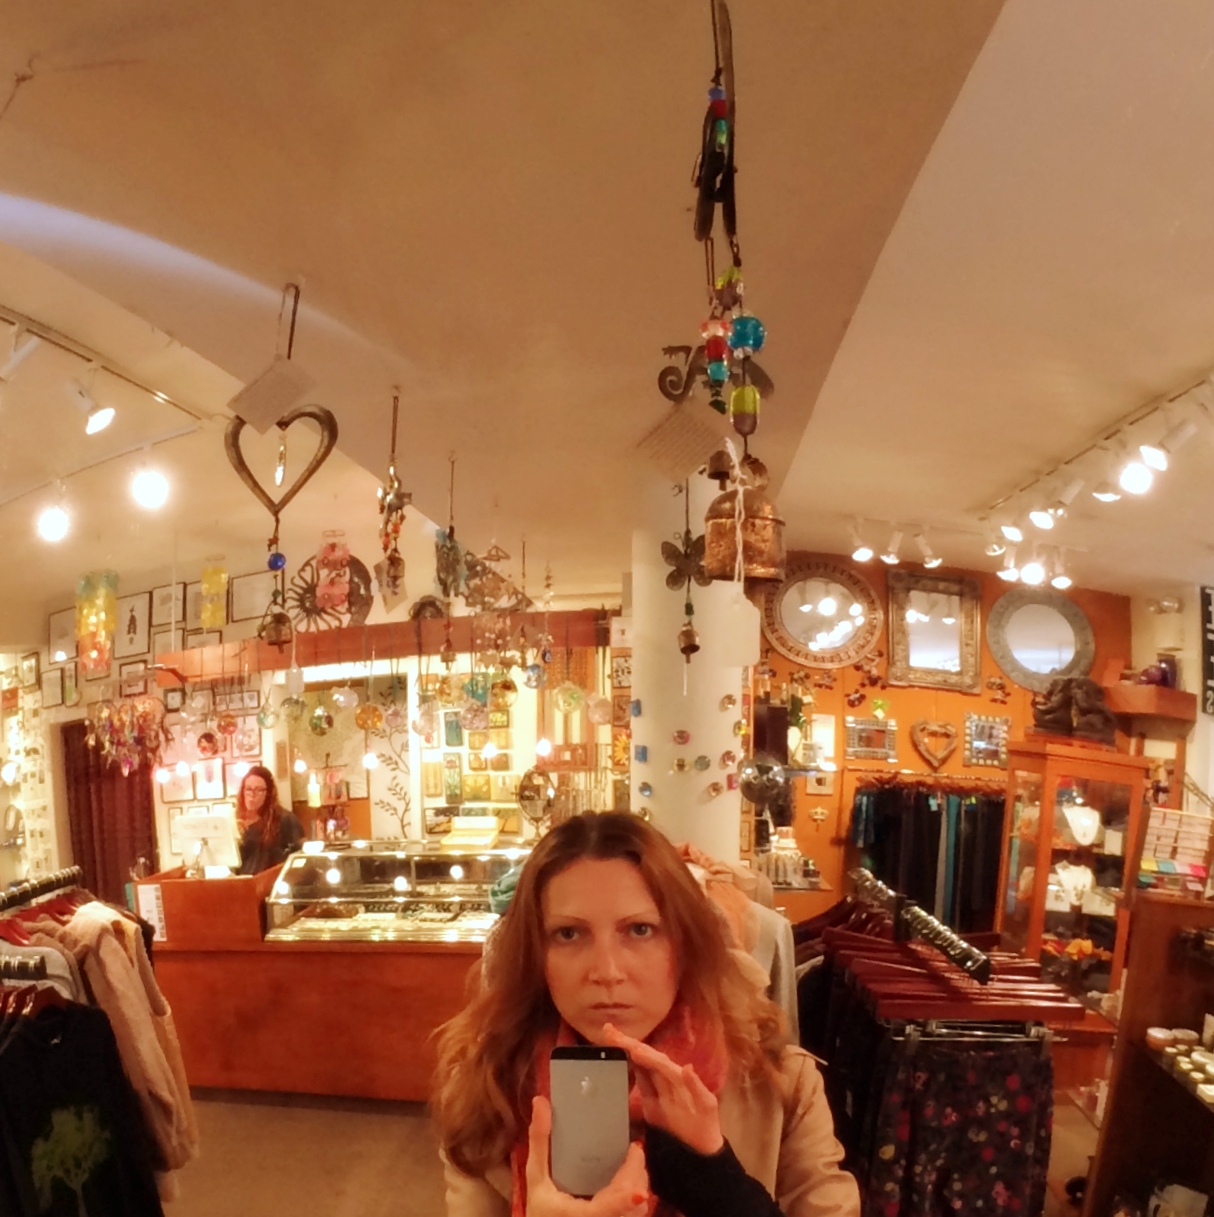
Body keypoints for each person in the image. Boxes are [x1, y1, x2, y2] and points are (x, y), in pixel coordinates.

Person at [432, 812, 860, 1217]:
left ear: (685, 943)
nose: (606, 971)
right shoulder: (487, 1090)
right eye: (568, 933)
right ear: (535, 954)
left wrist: (721, 1187)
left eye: (640, 930)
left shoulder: (781, 1087)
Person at [236, 766, 305, 875]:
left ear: (268, 793)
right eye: (248, 789)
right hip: (240, 882)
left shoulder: (284, 819)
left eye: (258, 790)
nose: (252, 795)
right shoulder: (234, 820)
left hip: (270, 882)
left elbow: (300, 855)